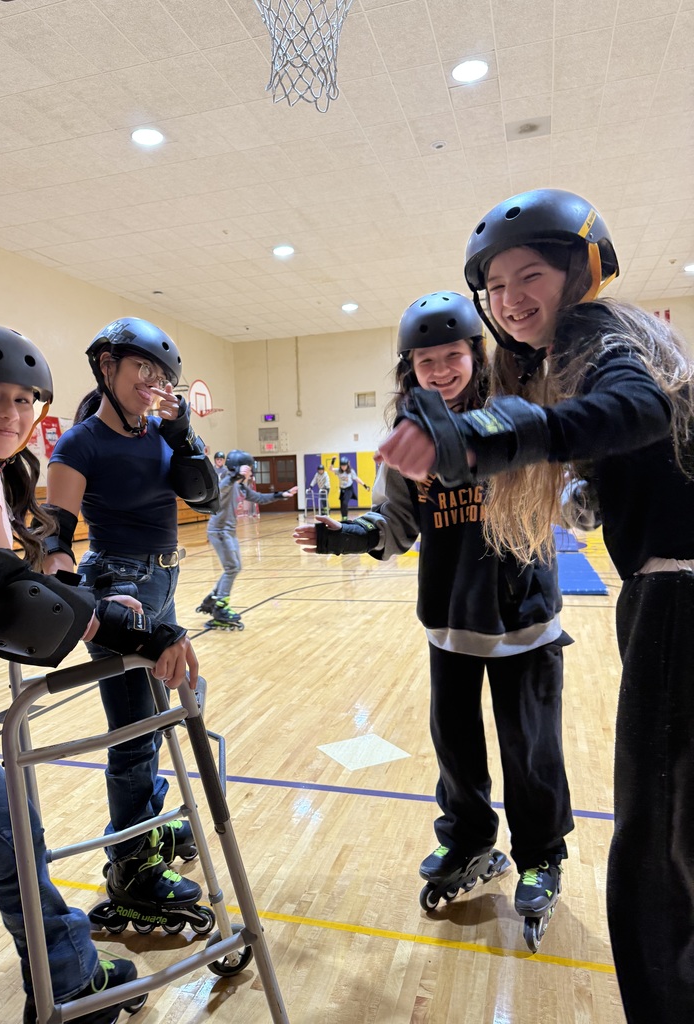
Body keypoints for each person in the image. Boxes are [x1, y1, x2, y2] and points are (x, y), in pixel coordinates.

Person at [378, 189, 694, 1024]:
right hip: (656, 591)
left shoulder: (593, 332)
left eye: (532, 275)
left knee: (656, 863)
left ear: (580, 270)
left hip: (678, 598)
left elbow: (641, 408)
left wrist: (496, 435)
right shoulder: (593, 345)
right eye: (498, 285)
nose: (512, 298)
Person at [0, 321, 199, 1024]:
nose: (10, 415)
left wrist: (71, 581)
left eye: (24, 400)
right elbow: (4, 601)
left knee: (17, 839)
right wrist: (131, 628)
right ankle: (73, 983)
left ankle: (70, 979)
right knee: (19, 840)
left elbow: (36, 553)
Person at [294, 292, 574, 950]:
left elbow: (552, 488)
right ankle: (469, 842)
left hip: (522, 619)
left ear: (477, 356)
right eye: (427, 359)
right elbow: (396, 525)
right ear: (409, 366)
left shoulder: (509, 414)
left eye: (453, 355)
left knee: (530, 750)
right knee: (456, 748)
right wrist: (346, 535)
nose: (442, 369)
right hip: (449, 620)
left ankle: (541, 857)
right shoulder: (408, 432)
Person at [43, 317, 219, 928]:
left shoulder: (162, 436)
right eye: (142, 369)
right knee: (134, 729)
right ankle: (131, 862)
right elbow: (56, 541)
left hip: (165, 582)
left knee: (177, 702)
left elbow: (207, 497)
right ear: (107, 368)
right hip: (121, 587)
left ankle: (148, 822)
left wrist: (183, 427)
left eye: (162, 375)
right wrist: (91, 606)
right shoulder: (80, 443)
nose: (153, 382)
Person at [197, 450, 298, 628]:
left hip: (229, 531)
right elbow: (222, 488)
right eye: (249, 468)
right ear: (239, 468)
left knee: (235, 567)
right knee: (232, 567)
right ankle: (220, 607)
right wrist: (235, 476)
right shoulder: (227, 483)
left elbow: (258, 498)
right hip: (219, 530)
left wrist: (281, 495)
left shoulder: (241, 487)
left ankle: (213, 598)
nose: (252, 472)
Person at [330, 455, 370, 521]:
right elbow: (331, 469)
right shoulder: (338, 471)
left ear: (347, 465)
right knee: (342, 505)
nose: (343, 467)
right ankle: (344, 518)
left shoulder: (351, 471)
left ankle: (345, 518)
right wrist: (333, 461)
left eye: (345, 466)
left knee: (345, 503)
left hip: (349, 489)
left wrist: (365, 486)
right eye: (342, 466)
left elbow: (357, 479)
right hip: (342, 490)